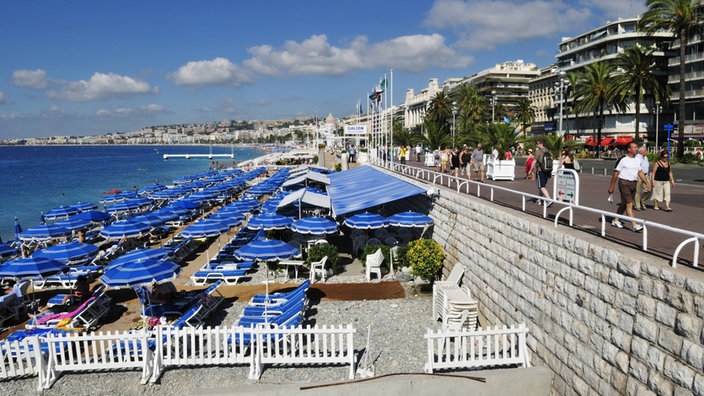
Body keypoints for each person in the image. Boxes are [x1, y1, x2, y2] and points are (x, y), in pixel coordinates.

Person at [607, 142, 651, 232]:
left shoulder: (636, 160)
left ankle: (615, 220)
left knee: (624, 203)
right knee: (629, 204)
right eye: (634, 147)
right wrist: (611, 186)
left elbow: (640, 172)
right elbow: (616, 173)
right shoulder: (623, 159)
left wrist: (647, 183)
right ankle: (634, 225)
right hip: (624, 183)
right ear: (629, 149)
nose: (636, 149)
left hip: (633, 183)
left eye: (637, 147)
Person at [531, 139, 553, 206]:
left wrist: (530, 169)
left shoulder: (538, 152)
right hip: (548, 171)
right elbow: (552, 159)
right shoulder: (549, 151)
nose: (537, 145)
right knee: (542, 186)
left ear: (541, 144)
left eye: (538, 143)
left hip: (540, 170)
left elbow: (534, 161)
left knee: (541, 186)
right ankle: (540, 199)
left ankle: (549, 199)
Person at [634, 145, 651, 211]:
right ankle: (637, 206)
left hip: (646, 174)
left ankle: (642, 200)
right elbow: (638, 169)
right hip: (639, 175)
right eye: (645, 150)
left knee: (648, 189)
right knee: (638, 191)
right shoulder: (637, 158)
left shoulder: (646, 157)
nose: (646, 151)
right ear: (641, 151)